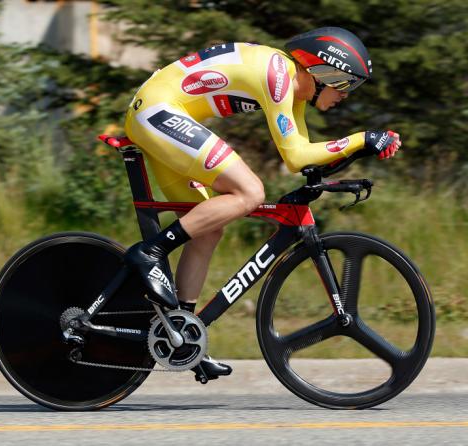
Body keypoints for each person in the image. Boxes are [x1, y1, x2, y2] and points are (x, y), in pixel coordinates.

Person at [123, 27, 401, 381]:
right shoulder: (278, 75)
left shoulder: (291, 88)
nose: (346, 95)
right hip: (159, 111)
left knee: (208, 230)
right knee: (250, 192)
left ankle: (183, 335)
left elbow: (298, 159)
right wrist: (362, 137)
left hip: (161, 112)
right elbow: (298, 155)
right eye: (346, 84)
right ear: (324, 71)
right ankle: (150, 253)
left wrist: (359, 147)